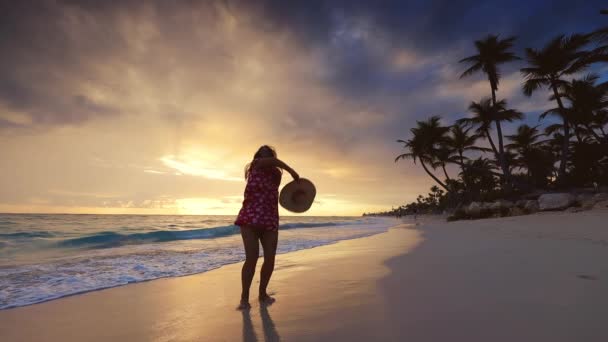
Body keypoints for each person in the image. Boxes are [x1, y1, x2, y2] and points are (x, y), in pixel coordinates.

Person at [234, 145, 299, 310]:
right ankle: (244, 298)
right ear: (257, 156)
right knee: (252, 257)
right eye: (261, 154)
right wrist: (291, 170)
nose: (264, 157)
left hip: (269, 218)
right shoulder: (255, 165)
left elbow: (281, 193)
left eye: (267, 154)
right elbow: (272, 161)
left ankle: (262, 293)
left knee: (270, 259)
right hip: (250, 217)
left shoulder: (276, 174)